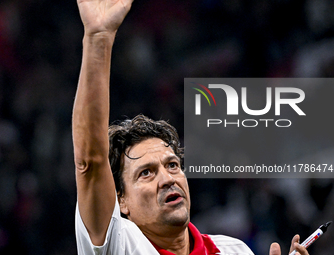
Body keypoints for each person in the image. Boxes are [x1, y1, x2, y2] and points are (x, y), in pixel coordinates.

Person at [72, 0, 310, 254]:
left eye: (172, 165)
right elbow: (91, 161)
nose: (167, 180)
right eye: (146, 173)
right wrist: (98, 38)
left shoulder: (234, 250)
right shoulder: (120, 245)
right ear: (121, 201)